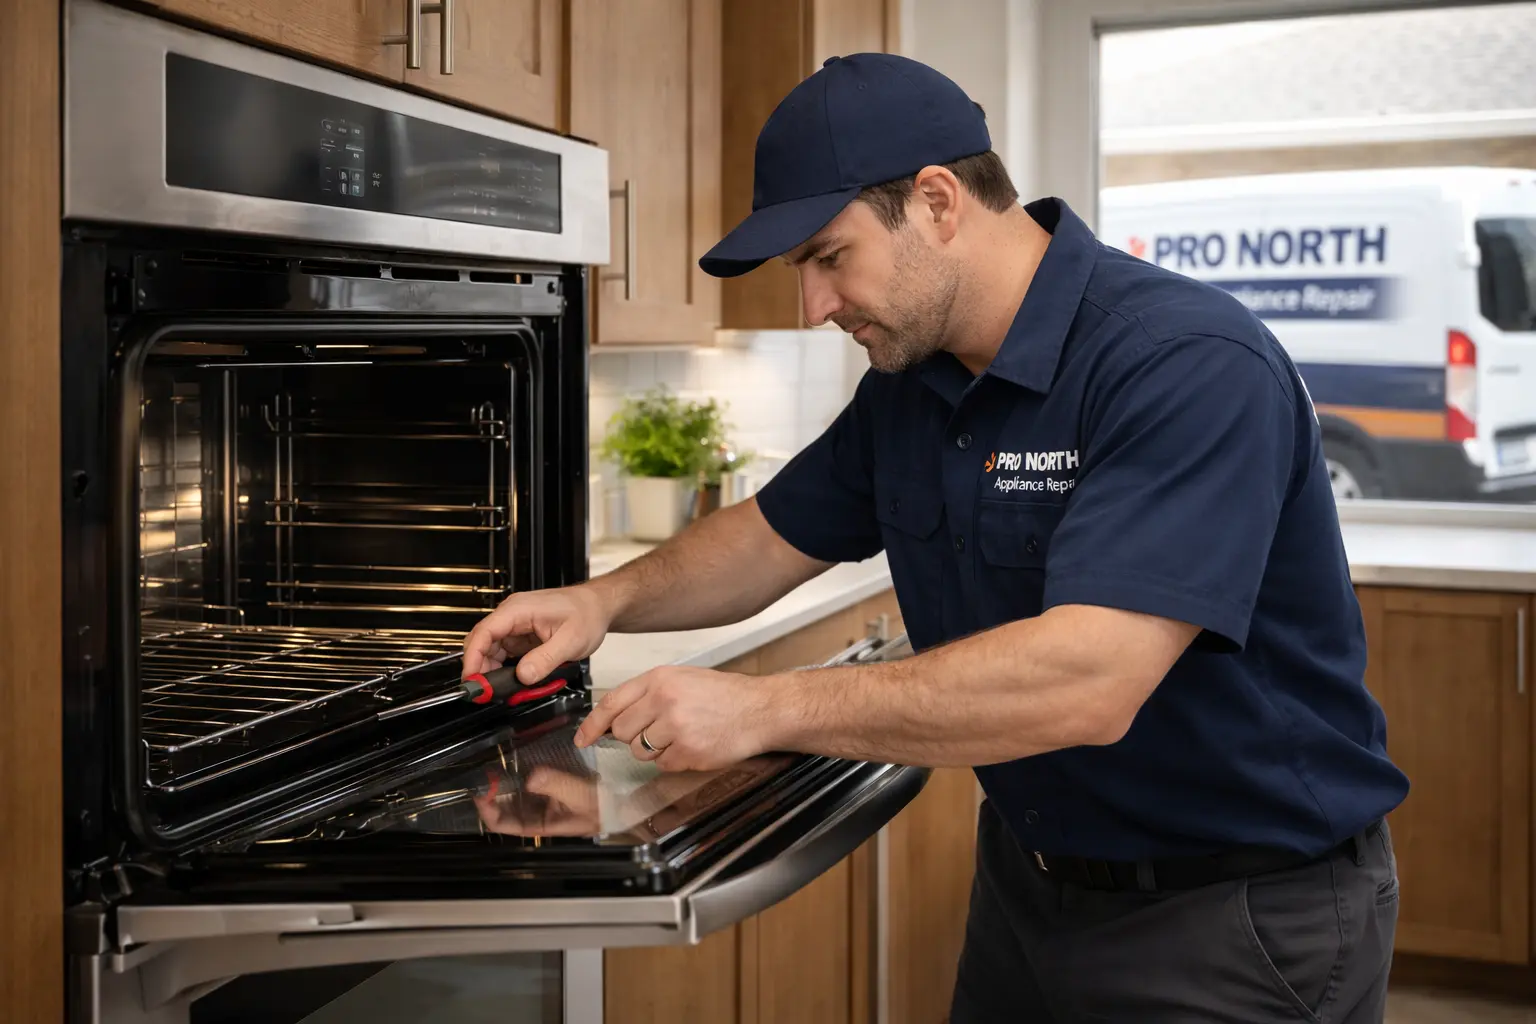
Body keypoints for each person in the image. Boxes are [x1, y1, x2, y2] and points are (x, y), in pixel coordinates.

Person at [461, 52, 1408, 1022]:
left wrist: (762, 707)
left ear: (940, 202)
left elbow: (1093, 677)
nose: (815, 306)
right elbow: (765, 537)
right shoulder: (915, 385)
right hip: (1028, 889)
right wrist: (603, 601)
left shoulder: (1182, 362)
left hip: (1232, 913)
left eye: (831, 257)